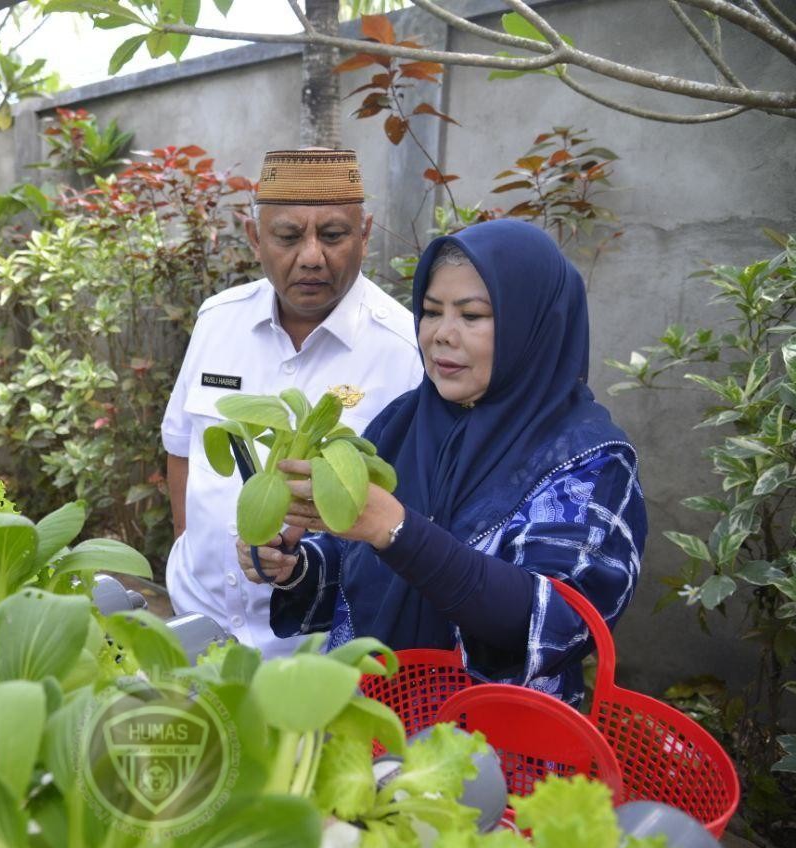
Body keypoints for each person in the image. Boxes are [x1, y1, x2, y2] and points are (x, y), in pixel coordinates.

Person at [241, 219, 647, 704]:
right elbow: (362, 568)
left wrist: (397, 531)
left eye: (472, 316)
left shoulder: (589, 461)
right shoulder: (403, 423)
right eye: (431, 312)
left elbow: (555, 623)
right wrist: (295, 564)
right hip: (363, 727)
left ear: (533, 326)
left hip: (494, 756)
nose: (441, 335)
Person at [162, 149, 423, 659]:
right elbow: (181, 450)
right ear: (255, 236)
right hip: (197, 622)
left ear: (365, 234)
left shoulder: (405, 350)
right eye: (287, 236)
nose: (311, 257)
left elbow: (410, 513)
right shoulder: (218, 320)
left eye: (333, 235)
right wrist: (188, 548)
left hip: (316, 653)